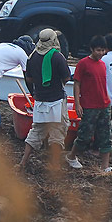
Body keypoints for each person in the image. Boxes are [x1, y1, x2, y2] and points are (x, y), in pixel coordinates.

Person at [19, 29, 71, 169]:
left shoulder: (32, 57)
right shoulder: (57, 57)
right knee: (57, 132)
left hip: (40, 100)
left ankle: (24, 161)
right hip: (57, 100)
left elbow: (29, 78)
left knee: (36, 130)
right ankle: (54, 164)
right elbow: (66, 77)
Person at [66, 35, 112, 172]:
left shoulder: (103, 64)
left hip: (104, 104)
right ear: (92, 49)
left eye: (103, 50)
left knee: (106, 135)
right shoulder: (83, 64)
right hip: (89, 105)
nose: (101, 53)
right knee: (84, 135)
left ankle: (105, 166)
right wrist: (78, 103)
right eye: (98, 50)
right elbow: (77, 84)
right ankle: (71, 156)